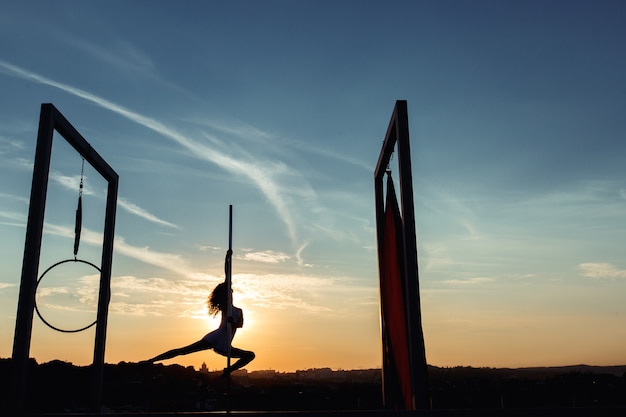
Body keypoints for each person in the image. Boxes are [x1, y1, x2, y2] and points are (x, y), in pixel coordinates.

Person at [145, 250, 255, 376]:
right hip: (217, 338)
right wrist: (227, 258)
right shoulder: (226, 307)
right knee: (183, 351)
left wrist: (233, 322)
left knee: (250, 355)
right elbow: (227, 274)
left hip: (224, 344)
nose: (231, 291)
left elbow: (240, 324)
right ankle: (150, 361)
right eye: (228, 291)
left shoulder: (238, 311)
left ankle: (227, 371)